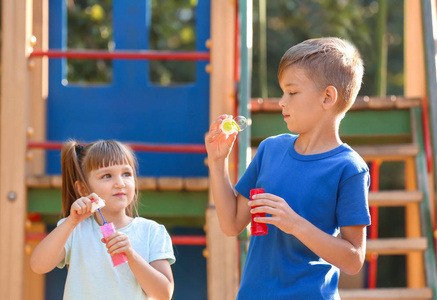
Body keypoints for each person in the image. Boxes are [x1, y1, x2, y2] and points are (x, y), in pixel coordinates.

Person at [205, 37, 370, 299]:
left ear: (327, 97)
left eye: (292, 92)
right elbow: (232, 224)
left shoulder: (349, 168)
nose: (282, 101)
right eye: (282, 92)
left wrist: (294, 224)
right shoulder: (270, 150)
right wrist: (218, 162)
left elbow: (353, 260)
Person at [30, 140, 175, 300]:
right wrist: (71, 222)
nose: (120, 183)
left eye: (126, 174)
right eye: (107, 176)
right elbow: (38, 265)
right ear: (83, 189)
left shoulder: (152, 231)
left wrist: (131, 255)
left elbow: (164, 294)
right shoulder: (73, 228)